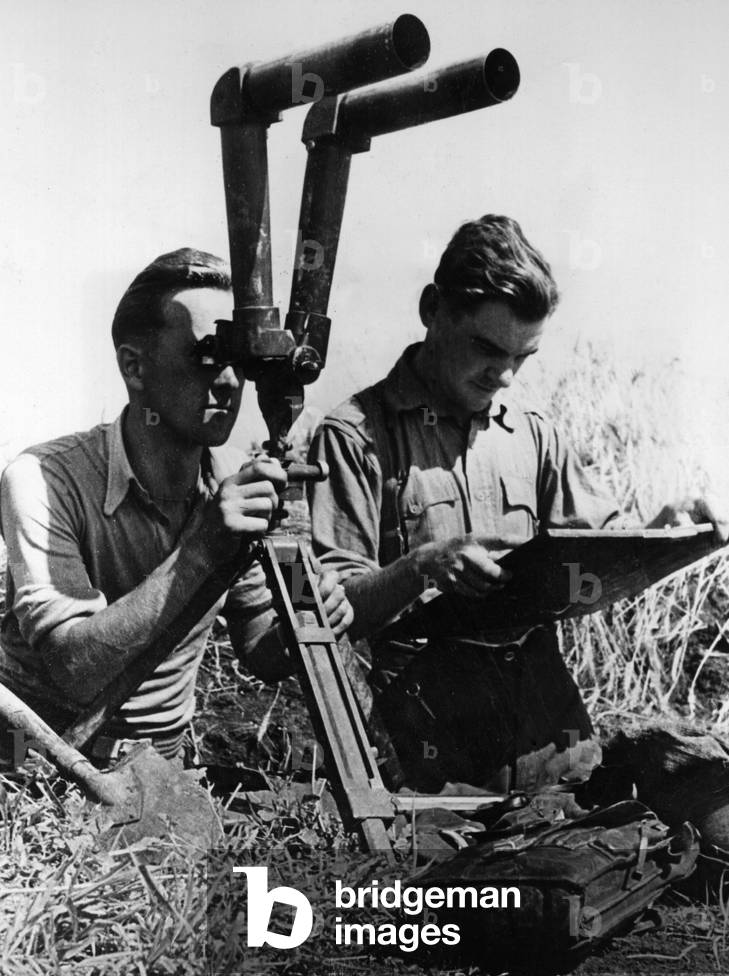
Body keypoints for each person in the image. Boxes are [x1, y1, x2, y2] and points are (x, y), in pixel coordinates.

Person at [308, 215, 726, 793]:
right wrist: (421, 565)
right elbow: (334, 614)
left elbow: (598, 555)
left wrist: (663, 529)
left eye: (522, 357)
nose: (503, 375)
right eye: (485, 348)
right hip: (429, 752)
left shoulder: (534, 436)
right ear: (433, 310)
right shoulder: (354, 437)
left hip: (550, 735)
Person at [0, 248, 352, 768]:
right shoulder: (43, 479)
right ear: (134, 366)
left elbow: (259, 646)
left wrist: (314, 614)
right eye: (206, 356)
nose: (230, 382)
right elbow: (73, 667)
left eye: (238, 359)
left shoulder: (235, 476)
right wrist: (200, 549)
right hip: (36, 763)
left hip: (161, 768)